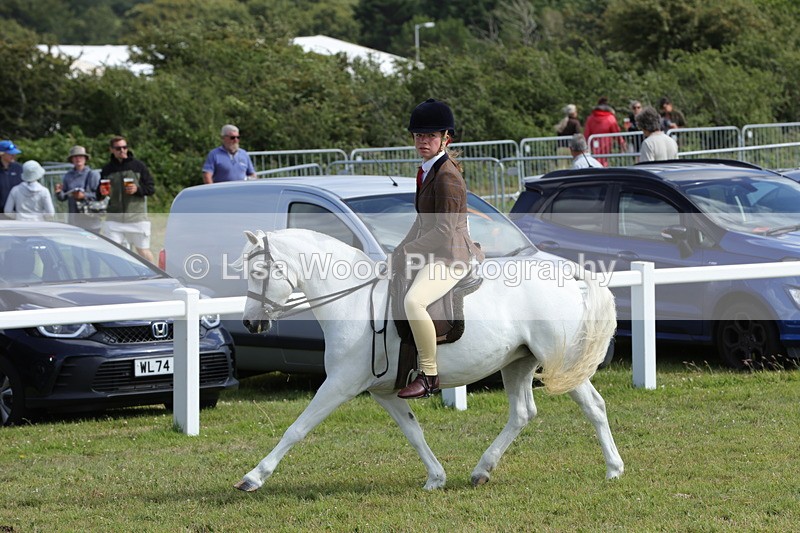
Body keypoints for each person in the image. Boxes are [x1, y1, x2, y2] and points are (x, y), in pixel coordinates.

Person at [394, 98, 485, 400]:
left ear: (446, 138)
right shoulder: (427, 170)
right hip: (435, 251)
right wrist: (399, 249)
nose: (423, 141)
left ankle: (429, 374)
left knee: (414, 302)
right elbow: (422, 222)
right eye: (419, 135)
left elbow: (444, 230)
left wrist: (409, 252)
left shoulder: (446, 176)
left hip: (451, 256)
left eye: (430, 136)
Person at [99, 136, 156, 262]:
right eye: (118, 148)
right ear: (111, 150)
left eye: (125, 147)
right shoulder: (107, 169)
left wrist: (138, 189)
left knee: (143, 251)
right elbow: (99, 195)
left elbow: (151, 189)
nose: (122, 150)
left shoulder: (138, 166)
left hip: (136, 217)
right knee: (114, 252)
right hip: (114, 218)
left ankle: (156, 276)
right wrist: (101, 192)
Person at [55, 145, 102, 232]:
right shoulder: (68, 176)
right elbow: (63, 197)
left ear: (85, 159)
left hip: (91, 219)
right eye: (75, 157)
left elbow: (99, 195)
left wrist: (83, 195)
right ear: (72, 159)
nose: (78, 159)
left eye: (80, 156)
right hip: (74, 220)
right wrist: (58, 192)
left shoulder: (93, 174)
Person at [583, 96, 626, 166]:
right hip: (606, 144)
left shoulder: (590, 118)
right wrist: (622, 143)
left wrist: (585, 146)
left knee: (596, 160)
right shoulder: (610, 118)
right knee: (604, 161)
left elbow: (586, 134)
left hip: (594, 143)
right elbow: (616, 133)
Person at [0, 140, 24, 220]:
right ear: (2, 154)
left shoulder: (18, 168)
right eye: (10, 153)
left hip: (16, 213)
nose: (13, 155)